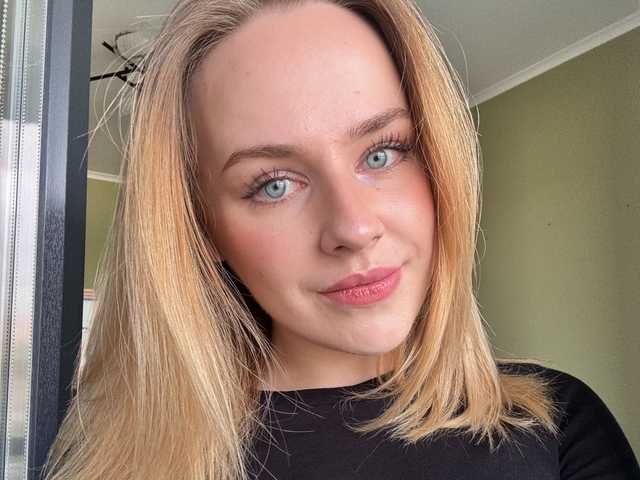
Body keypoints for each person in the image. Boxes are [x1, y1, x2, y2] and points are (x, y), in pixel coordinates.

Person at [44, 0, 640, 479]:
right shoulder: (118, 456)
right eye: (274, 184)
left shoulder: (553, 422)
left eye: (383, 153)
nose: (353, 228)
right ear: (203, 228)